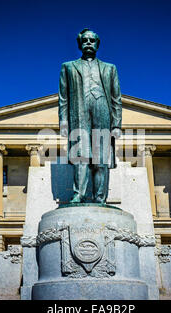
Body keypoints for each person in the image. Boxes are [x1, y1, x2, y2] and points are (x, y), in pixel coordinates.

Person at [59, 28, 122, 204]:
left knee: (100, 158)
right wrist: (63, 122)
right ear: (79, 44)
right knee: (81, 155)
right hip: (78, 112)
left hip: (102, 112)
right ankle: (79, 194)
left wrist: (116, 124)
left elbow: (116, 98)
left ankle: (100, 197)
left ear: (97, 44)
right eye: (85, 40)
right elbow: (63, 97)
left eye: (92, 40)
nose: (88, 43)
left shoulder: (110, 68)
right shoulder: (68, 67)